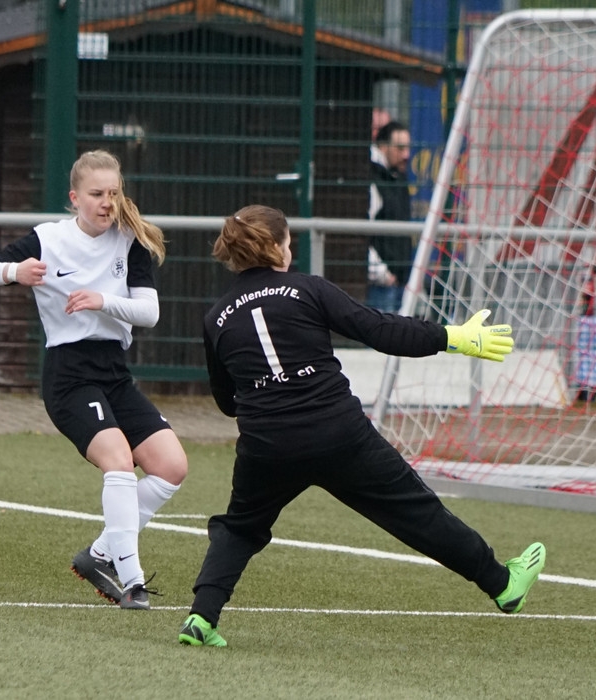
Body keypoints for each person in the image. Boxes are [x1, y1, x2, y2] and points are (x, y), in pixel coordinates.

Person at [178, 204, 546, 647]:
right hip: (338, 433)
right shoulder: (308, 290)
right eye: (289, 241)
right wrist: (454, 337)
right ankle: (503, 584)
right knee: (414, 512)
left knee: (238, 528)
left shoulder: (216, 317)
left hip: (267, 445)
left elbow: (225, 401)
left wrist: (268, 398)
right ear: (277, 248)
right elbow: (379, 330)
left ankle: (201, 619)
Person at [0, 149, 188, 610]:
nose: (108, 202)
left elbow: (149, 312)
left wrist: (101, 300)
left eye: (113, 193)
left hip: (114, 373)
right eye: (97, 194)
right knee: (120, 462)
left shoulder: (130, 240)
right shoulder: (48, 239)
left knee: (171, 466)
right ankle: (131, 581)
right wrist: (14, 271)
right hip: (70, 377)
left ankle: (99, 554)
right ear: (75, 198)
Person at [367, 120, 413, 313]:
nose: (406, 155)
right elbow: (361, 230)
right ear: (383, 146)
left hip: (398, 282)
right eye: (400, 148)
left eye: (408, 148)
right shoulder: (371, 178)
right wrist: (380, 273)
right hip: (380, 284)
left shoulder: (397, 178)